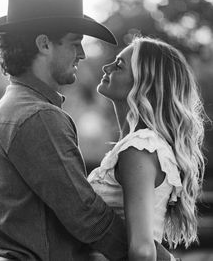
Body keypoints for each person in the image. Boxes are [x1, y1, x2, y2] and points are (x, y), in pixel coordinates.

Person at [0, 0, 172, 261]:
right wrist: (160, 258)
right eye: (74, 42)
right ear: (44, 44)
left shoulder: (15, 105)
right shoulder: (39, 116)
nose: (81, 53)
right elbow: (86, 215)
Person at [88, 36, 206, 261]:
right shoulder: (142, 146)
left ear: (143, 84)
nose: (106, 67)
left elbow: (142, 251)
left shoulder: (139, 148)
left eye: (119, 66)